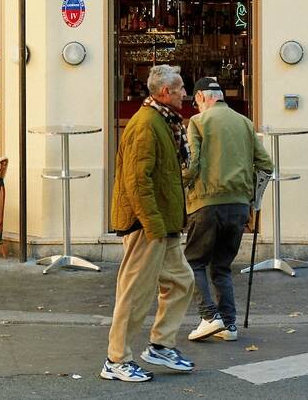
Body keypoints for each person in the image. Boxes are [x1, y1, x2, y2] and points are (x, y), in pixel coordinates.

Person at [101, 64, 195, 383]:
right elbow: (137, 181)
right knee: (135, 293)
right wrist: (153, 225)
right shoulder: (146, 125)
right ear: (165, 92)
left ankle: (160, 345)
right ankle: (116, 360)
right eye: (181, 88)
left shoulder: (163, 121)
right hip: (148, 225)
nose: (186, 93)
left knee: (182, 281)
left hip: (162, 223)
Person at [183, 78, 273, 342]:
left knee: (194, 262)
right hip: (238, 206)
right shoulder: (245, 123)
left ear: (200, 97)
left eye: (196, 102)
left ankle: (209, 317)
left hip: (207, 203)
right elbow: (267, 166)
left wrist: (180, 184)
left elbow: (192, 164)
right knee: (221, 266)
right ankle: (229, 325)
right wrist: (253, 202)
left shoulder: (198, 123)